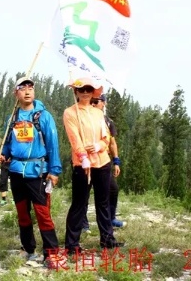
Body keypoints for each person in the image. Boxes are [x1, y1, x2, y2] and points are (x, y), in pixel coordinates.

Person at [0, 76, 62, 268]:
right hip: (16, 171)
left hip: (37, 172)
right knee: (22, 213)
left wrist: (54, 171)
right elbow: (7, 145)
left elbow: (53, 145)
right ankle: (29, 249)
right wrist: (2, 156)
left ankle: (52, 253)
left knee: (42, 213)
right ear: (16, 93)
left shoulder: (43, 116)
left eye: (30, 87)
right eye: (22, 88)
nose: (27, 91)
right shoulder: (12, 118)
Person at [63, 77, 124, 254]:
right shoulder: (70, 112)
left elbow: (106, 137)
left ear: (93, 92)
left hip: (102, 162)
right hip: (83, 164)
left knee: (103, 202)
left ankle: (107, 240)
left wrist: (98, 146)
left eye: (88, 89)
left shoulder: (98, 113)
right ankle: (72, 245)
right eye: (81, 89)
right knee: (79, 204)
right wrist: (83, 157)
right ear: (75, 91)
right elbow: (74, 138)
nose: (85, 92)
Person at [91, 94, 125, 228]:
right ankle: (83, 223)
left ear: (104, 103)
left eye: (96, 101)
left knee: (113, 189)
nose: (93, 104)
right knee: (84, 193)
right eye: (91, 101)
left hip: (103, 161)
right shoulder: (84, 119)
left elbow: (112, 143)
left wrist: (116, 161)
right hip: (86, 161)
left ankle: (111, 218)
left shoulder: (108, 122)